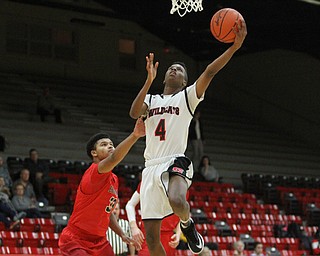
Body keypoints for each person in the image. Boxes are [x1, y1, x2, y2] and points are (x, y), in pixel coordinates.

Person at [129, 18, 247, 255]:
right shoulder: (151, 100)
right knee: (152, 240)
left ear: (184, 82)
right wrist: (148, 81)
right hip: (150, 166)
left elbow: (210, 71)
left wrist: (234, 47)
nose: (175, 69)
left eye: (180, 70)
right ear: (164, 78)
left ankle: (187, 224)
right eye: (171, 68)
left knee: (178, 201)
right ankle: (185, 223)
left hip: (175, 160)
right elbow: (133, 113)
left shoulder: (187, 98)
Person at [58, 118, 145, 256]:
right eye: (104, 145)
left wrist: (121, 234)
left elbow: (107, 213)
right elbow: (114, 158)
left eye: (111, 144)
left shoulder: (114, 179)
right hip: (77, 239)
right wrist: (134, 135)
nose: (110, 146)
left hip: (99, 241)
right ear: (94, 153)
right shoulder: (94, 172)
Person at [125, 182, 182, 256]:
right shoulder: (148, 180)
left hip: (169, 239)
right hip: (149, 235)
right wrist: (134, 227)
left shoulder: (180, 185)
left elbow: (182, 215)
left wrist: (178, 234)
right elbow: (130, 205)